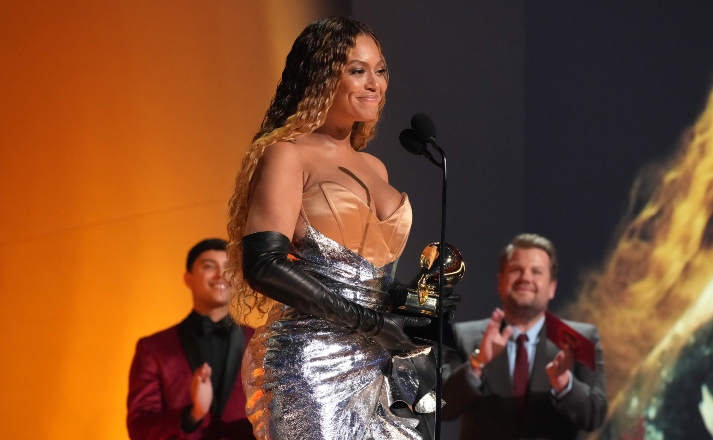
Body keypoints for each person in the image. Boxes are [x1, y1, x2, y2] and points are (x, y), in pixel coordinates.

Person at [225, 16, 453, 440]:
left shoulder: (376, 167)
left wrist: (414, 302)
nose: (374, 84)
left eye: (380, 70)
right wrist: (370, 323)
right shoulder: (287, 155)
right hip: (313, 364)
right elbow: (264, 264)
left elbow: (364, 275)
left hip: (381, 362)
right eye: (357, 70)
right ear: (321, 76)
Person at [442, 233, 607, 440]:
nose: (525, 278)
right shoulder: (464, 336)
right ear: (500, 281)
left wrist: (564, 383)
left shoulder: (579, 339)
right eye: (516, 270)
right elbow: (443, 409)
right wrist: (478, 362)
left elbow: (595, 416)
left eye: (536, 272)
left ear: (552, 287)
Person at [127, 238, 255, 440]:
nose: (219, 275)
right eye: (208, 266)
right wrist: (193, 414)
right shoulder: (153, 348)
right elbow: (139, 428)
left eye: (227, 267)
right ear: (188, 279)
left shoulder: (261, 343)